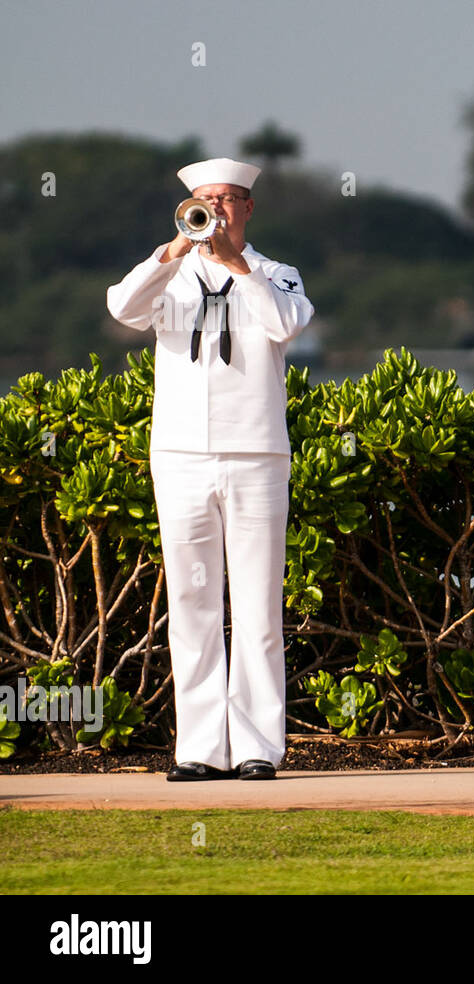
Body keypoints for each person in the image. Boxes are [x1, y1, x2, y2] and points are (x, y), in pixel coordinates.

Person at [106, 157, 313, 781]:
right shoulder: (168, 272)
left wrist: (235, 264)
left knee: (257, 605)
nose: (215, 210)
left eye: (226, 199)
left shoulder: (276, 275)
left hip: (256, 456)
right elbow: (122, 308)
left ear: (248, 208)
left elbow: (286, 323)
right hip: (180, 456)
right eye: (203, 200)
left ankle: (256, 748)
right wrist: (173, 249)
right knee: (192, 601)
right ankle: (197, 747)